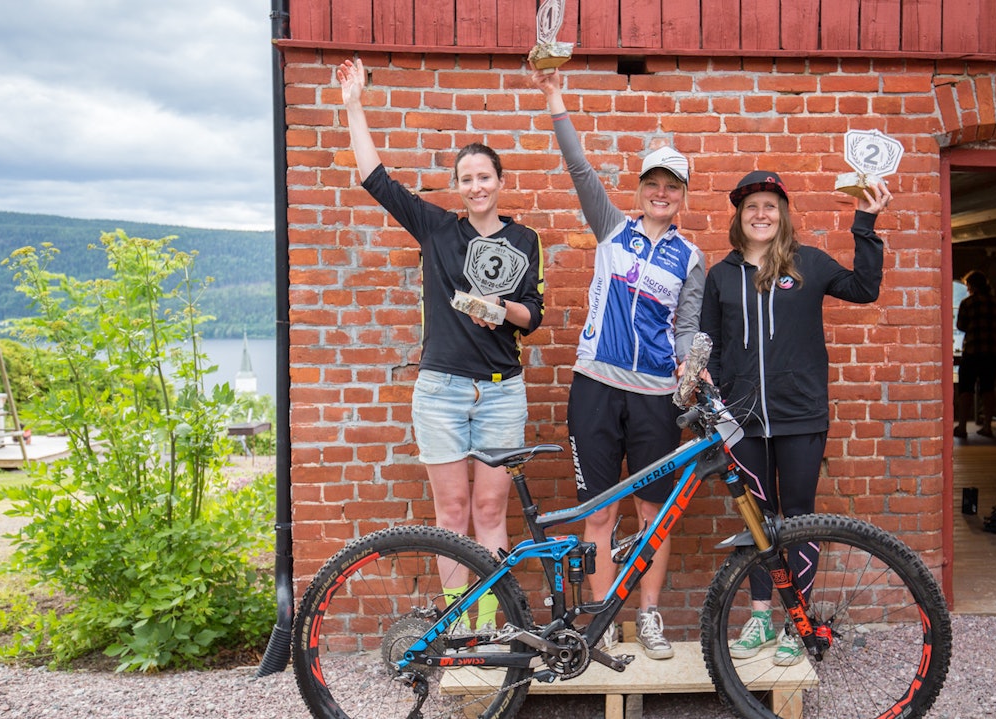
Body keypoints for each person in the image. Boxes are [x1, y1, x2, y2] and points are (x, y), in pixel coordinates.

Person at [338, 58, 545, 632]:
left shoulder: (525, 240)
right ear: (458, 187)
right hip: (442, 390)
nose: (476, 186)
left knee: (490, 511)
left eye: (485, 176)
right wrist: (355, 104)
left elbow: (535, 315)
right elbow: (374, 178)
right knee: (452, 513)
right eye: (467, 178)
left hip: (503, 392)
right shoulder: (437, 228)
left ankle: (492, 622)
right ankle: (459, 628)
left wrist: (502, 310)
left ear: (500, 182)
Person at [530, 66, 706, 660]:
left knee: (653, 518)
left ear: (683, 194)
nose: (662, 192)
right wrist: (556, 101)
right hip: (596, 389)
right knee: (599, 517)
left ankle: (650, 617)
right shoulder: (610, 229)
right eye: (653, 182)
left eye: (673, 185)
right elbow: (579, 168)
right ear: (639, 188)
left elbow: (685, 327)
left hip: (656, 397)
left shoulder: (692, 256)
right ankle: (600, 627)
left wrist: (688, 368)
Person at [700, 170, 892, 666]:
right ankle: (761, 614)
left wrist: (866, 223)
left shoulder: (807, 264)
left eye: (769, 205)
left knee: (799, 520)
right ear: (738, 218)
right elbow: (712, 349)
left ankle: (796, 620)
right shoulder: (721, 275)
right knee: (758, 523)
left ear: (782, 213)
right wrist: (716, 405)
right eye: (750, 207)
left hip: (801, 417)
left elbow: (864, 287)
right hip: (742, 423)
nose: (760, 214)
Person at [955, 270, 996, 439]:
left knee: (965, 389)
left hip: (973, 351)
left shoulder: (967, 303)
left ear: (972, 286)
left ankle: (961, 427)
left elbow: (961, 325)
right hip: (992, 352)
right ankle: (987, 426)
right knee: (988, 388)